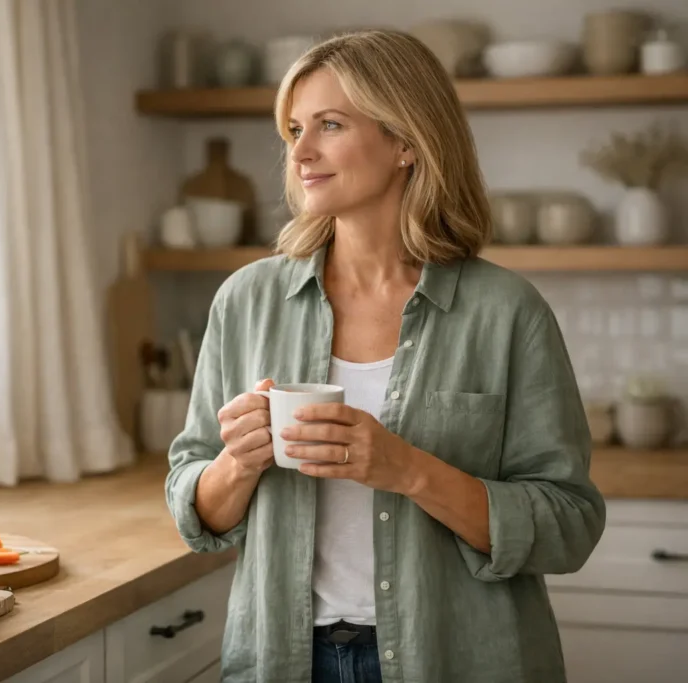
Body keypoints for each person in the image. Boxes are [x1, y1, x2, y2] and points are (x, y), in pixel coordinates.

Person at [164, 29, 605, 683]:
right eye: (293, 130)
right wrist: (239, 461)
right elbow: (193, 504)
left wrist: (408, 468)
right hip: (286, 660)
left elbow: (569, 522)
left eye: (329, 125)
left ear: (406, 141)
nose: (300, 153)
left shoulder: (506, 311)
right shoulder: (246, 302)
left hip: (457, 657)